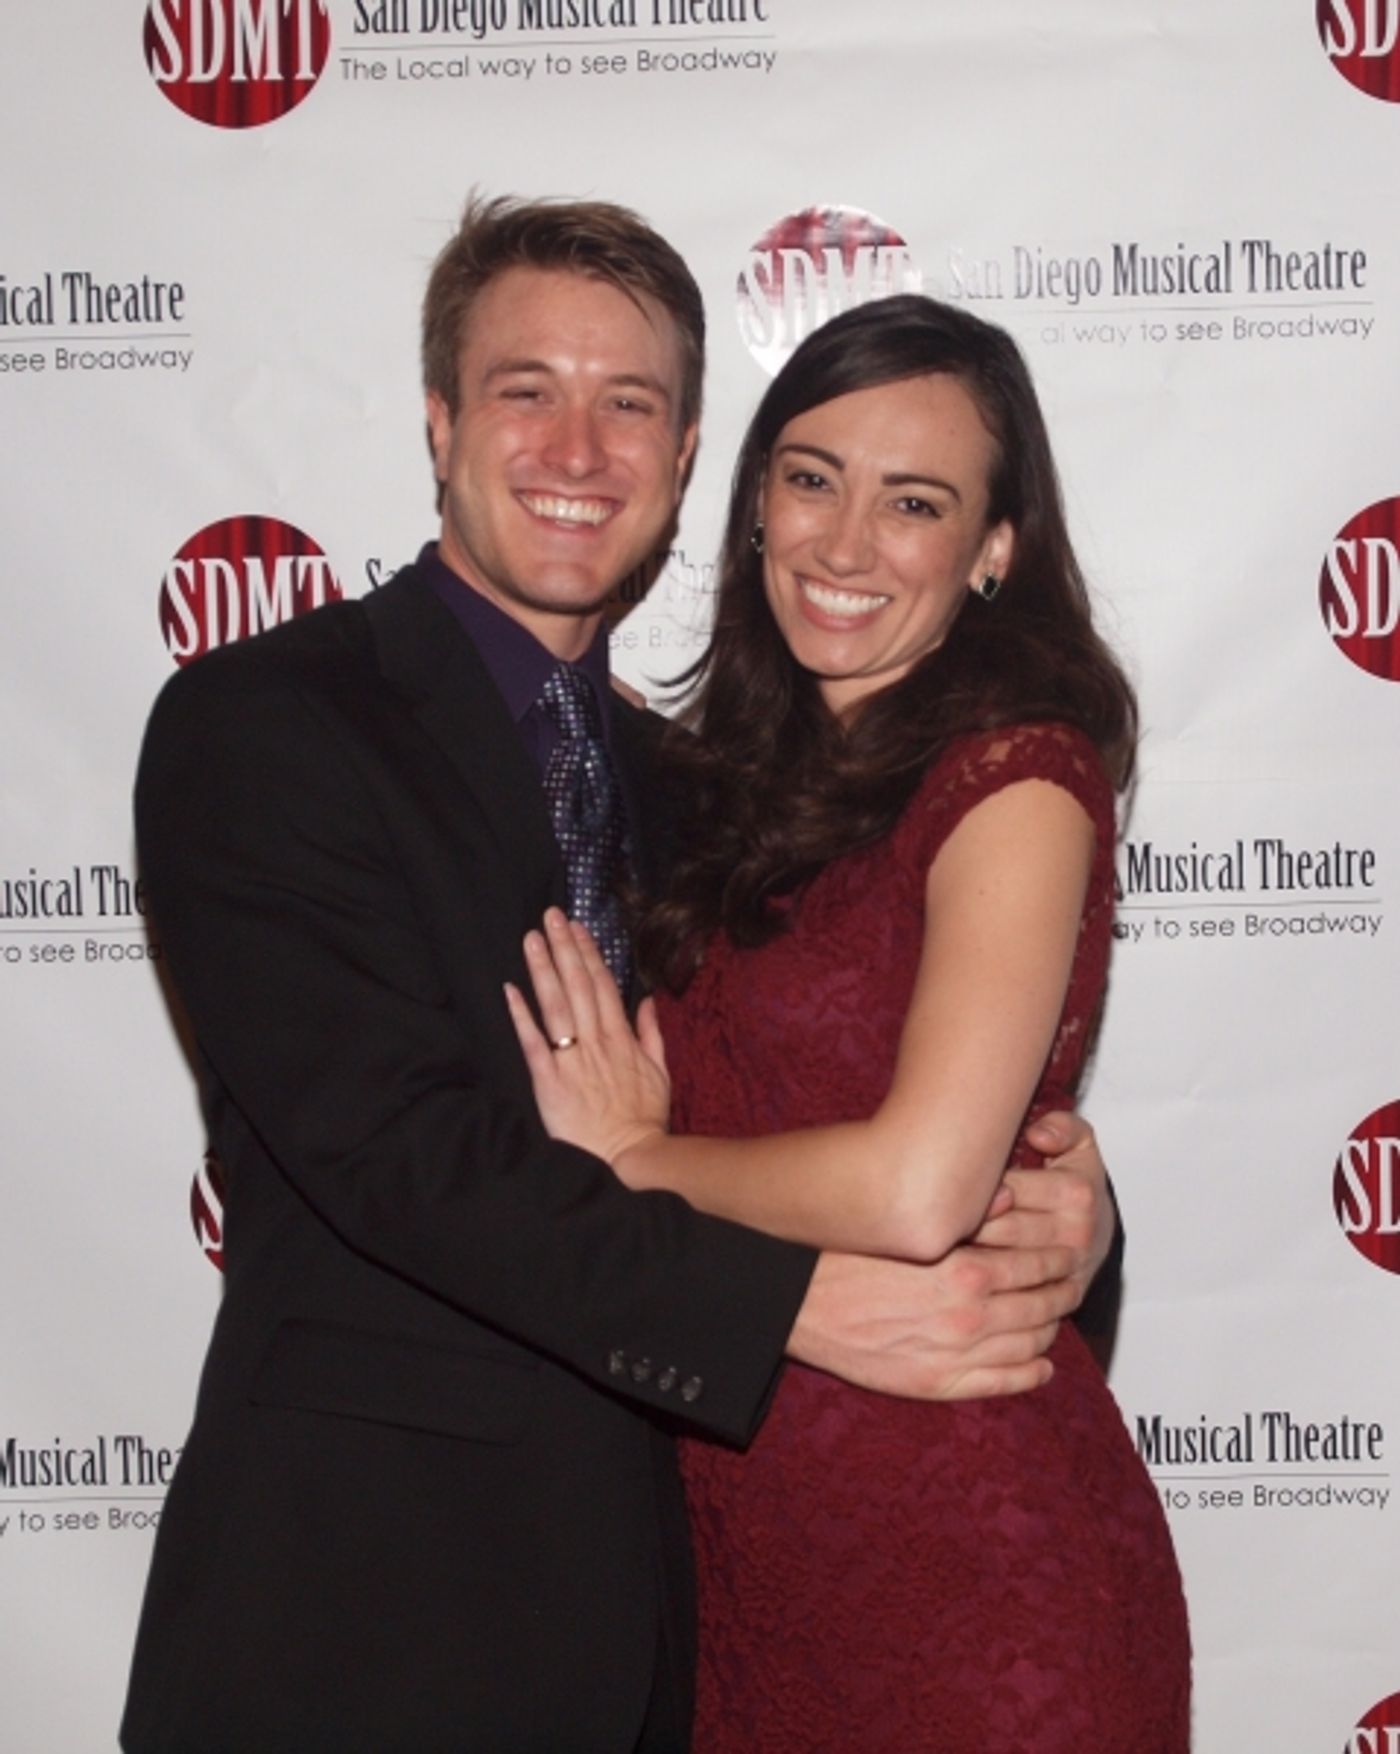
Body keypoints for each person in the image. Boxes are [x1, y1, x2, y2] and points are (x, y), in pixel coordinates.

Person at [122, 198, 1121, 1754]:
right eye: (528, 390)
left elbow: (833, 1114)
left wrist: (1061, 1208)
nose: (577, 448)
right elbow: (405, 1159)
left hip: (688, 1634)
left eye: (630, 404)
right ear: (442, 422)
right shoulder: (266, 725)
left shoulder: (711, 790)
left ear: (683, 456)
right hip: (364, 1627)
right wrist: (792, 1306)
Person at [509, 294, 1191, 1750]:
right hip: (742, 1565)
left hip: (977, 1566)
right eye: (813, 479)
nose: (844, 543)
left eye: (917, 502)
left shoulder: (1015, 776)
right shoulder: (707, 786)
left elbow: (919, 1184)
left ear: (995, 548)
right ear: (752, 499)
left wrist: (637, 1161)